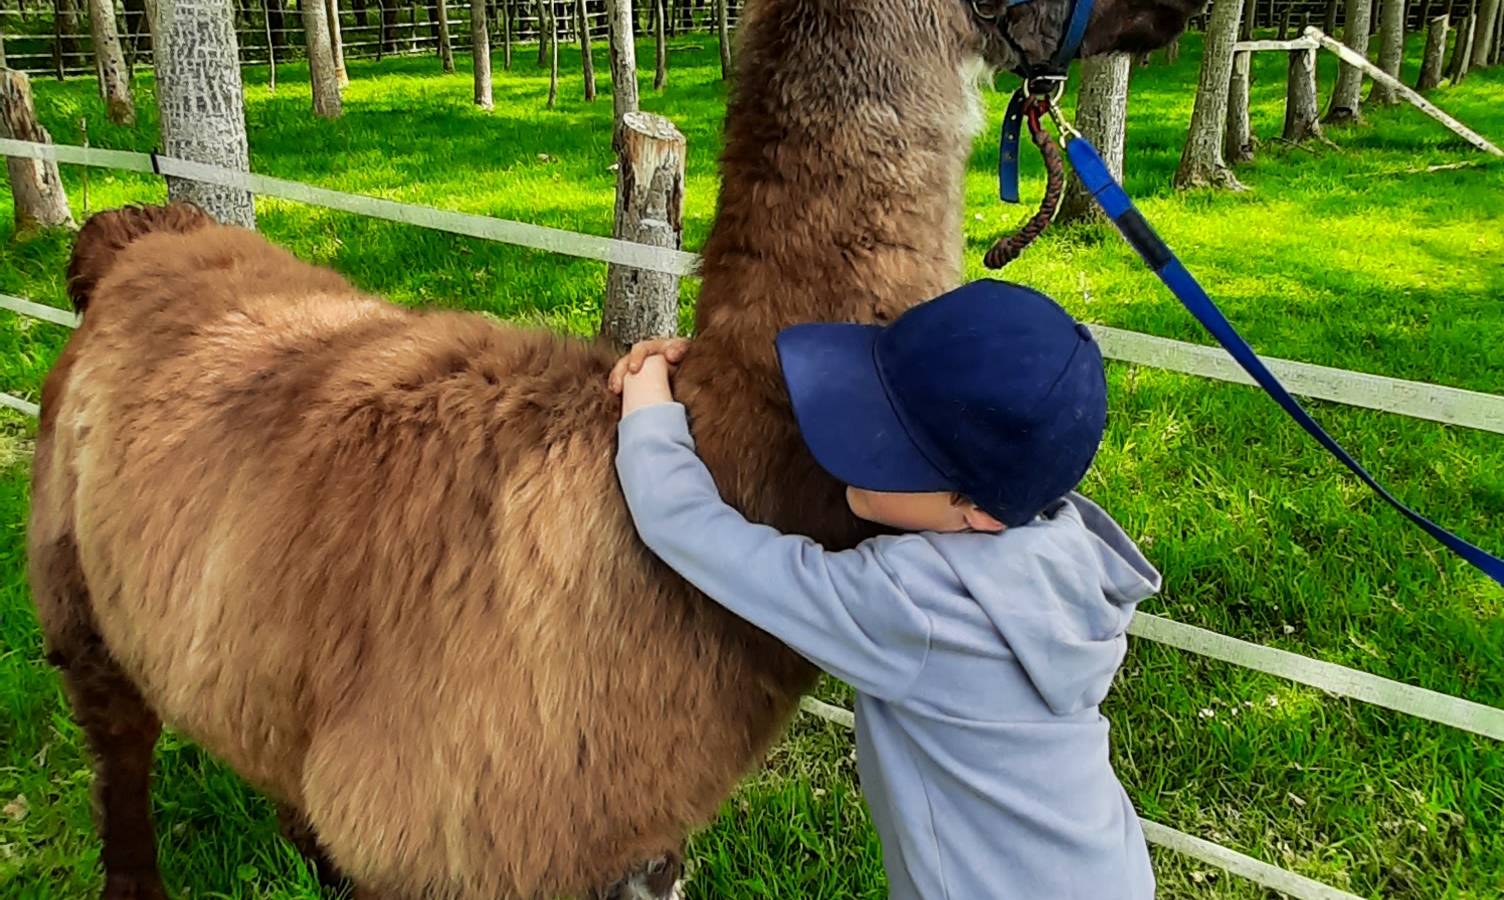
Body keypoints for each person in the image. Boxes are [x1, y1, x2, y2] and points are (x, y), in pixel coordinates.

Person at [610, 279, 1161, 899]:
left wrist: (650, 390)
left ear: (975, 510)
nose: (855, 432)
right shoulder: (1060, 546)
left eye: (889, 443)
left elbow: (682, 524)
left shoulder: (915, 608)